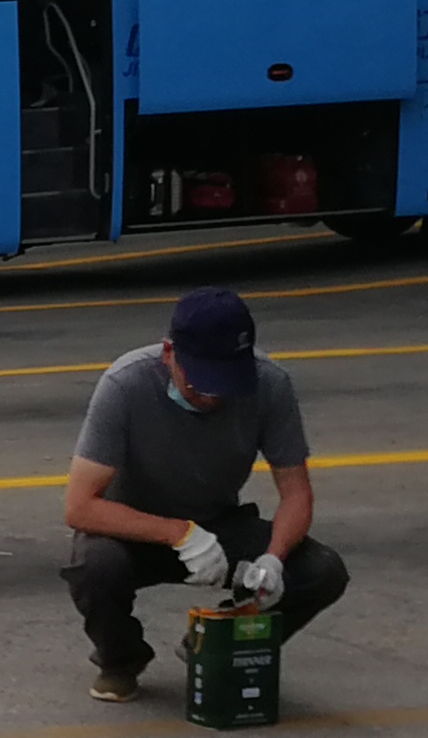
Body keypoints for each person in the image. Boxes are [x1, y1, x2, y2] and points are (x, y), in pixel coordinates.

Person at [59, 286, 346, 701]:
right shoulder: (125, 384)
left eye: (226, 384)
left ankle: (216, 644)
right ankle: (120, 659)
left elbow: (296, 493)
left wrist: (274, 558)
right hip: (133, 530)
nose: (211, 397)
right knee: (94, 565)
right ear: (169, 354)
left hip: (218, 524)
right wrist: (179, 533)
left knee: (322, 570)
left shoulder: (270, 384)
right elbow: (79, 507)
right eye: (198, 383)